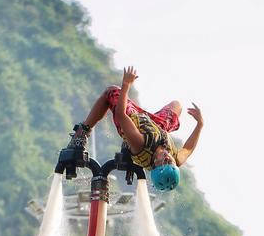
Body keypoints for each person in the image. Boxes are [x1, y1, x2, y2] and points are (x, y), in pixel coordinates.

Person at [71, 66, 204, 190]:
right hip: (158, 127)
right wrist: (200, 124)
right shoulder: (177, 158)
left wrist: (126, 85)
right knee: (177, 105)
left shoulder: (140, 144)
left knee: (111, 91)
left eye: (164, 162)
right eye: (171, 162)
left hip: (132, 121)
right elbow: (188, 148)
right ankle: (153, 120)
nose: (168, 157)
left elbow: (121, 115)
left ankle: (82, 134)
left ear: (154, 165)